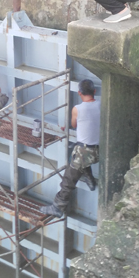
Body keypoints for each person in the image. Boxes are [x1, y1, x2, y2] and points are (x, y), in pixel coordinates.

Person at [40, 79, 100, 218]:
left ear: (79, 93)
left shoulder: (77, 109)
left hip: (85, 152)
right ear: (94, 91)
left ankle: (57, 207)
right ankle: (90, 179)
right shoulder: (100, 105)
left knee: (68, 180)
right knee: (78, 155)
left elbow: (74, 125)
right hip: (98, 150)